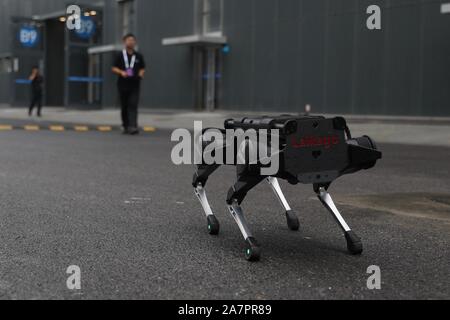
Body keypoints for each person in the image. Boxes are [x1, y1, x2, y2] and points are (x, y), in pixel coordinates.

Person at [112, 34, 146, 135]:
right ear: (124, 42)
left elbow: (143, 68)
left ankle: (133, 126)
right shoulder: (120, 55)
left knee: (133, 104)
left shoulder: (138, 56)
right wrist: (121, 72)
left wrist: (141, 74)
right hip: (123, 84)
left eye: (132, 40)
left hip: (135, 84)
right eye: (129, 40)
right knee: (124, 105)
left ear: (135, 42)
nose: (131, 42)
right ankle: (126, 125)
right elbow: (113, 67)